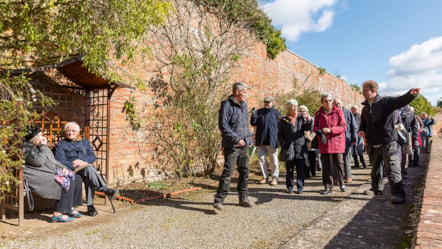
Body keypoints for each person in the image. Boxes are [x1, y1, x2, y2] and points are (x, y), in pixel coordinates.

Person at [358, 80, 419, 204]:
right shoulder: (365, 109)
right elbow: (363, 124)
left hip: (388, 142)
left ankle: (398, 194)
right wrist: (361, 131)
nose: (363, 93)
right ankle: (376, 189)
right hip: (372, 144)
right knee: (375, 170)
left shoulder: (385, 102)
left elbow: (400, 101)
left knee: (392, 169)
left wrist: (410, 94)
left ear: (374, 91)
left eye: (365, 90)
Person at [54, 122, 119, 216]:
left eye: (73, 131)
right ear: (65, 132)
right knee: (90, 170)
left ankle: (91, 205)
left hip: (84, 167)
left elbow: (92, 157)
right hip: (71, 170)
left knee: (89, 175)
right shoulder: (61, 145)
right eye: (68, 131)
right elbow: (59, 161)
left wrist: (83, 161)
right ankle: (104, 191)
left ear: (78, 131)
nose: (70, 133)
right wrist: (72, 163)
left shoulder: (84, 142)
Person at [23, 127, 83, 222]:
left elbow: (52, 160)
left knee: (76, 177)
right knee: (66, 180)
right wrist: (43, 146)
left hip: (45, 171)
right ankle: (58, 214)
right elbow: (39, 162)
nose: (42, 138)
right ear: (34, 138)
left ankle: (69, 206)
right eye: (40, 136)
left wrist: (65, 168)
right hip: (34, 175)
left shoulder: (37, 146)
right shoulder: (26, 148)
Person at [213, 82, 253, 210]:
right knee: (228, 172)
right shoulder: (227, 105)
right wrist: (236, 139)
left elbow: (244, 124)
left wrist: (248, 138)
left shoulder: (244, 105)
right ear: (237, 92)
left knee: (245, 171)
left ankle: (243, 198)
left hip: (244, 145)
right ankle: (219, 200)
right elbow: (223, 125)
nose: (246, 93)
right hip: (232, 145)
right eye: (244, 91)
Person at [313, 93, 347, 195]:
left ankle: (342, 182)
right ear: (322, 102)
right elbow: (314, 126)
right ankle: (328, 186)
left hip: (336, 142)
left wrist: (331, 130)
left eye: (330, 100)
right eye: (326, 101)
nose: (328, 103)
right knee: (326, 166)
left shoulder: (338, 111)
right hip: (324, 143)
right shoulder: (318, 113)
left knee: (339, 164)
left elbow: (343, 126)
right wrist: (320, 130)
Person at [278, 99, 309, 194]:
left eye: (296, 106)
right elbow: (280, 134)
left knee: (300, 169)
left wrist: (308, 121)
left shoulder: (301, 117)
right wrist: (284, 144)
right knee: (289, 169)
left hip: (300, 147)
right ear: (288, 108)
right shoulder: (284, 120)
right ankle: (290, 187)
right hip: (289, 147)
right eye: (293, 106)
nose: (295, 108)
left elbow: (307, 128)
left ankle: (300, 187)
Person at [250, 96, 282, 185]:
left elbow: (281, 127)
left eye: (268, 102)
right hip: (261, 139)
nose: (266, 104)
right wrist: (253, 115)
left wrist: (280, 138)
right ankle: (265, 177)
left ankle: (274, 178)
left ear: (272, 102)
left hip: (272, 139)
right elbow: (253, 123)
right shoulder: (259, 112)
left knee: (274, 160)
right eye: (265, 102)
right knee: (261, 159)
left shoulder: (276, 113)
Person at [333, 99, 357, 183]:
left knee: (346, 158)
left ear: (342, 104)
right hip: (335, 140)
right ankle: (336, 178)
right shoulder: (332, 113)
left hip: (346, 139)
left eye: (339, 103)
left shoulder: (348, 112)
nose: (338, 105)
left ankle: (348, 176)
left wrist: (354, 139)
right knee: (335, 159)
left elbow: (354, 127)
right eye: (336, 104)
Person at [398, 105, 419, 178]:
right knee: (391, 154)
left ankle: (403, 172)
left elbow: (415, 126)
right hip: (393, 135)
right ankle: (389, 174)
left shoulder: (409, 112)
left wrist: (415, 138)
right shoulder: (391, 110)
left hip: (405, 134)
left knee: (404, 154)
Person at [299, 105, 316, 177]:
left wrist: (310, 137)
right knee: (304, 158)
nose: (303, 113)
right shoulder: (298, 120)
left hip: (310, 141)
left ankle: (313, 171)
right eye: (301, 111)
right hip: (301, 141)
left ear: (307, 111)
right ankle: (306, 173)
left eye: (304, 111)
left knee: (312, 158)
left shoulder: (311, 119)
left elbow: (315, 130)